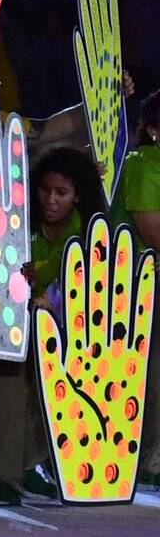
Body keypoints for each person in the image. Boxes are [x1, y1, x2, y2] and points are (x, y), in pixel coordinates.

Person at [0, 146, 105, 506]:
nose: (50, 199)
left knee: (55, 388)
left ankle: (27, 467)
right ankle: (1, 479)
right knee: (8, 387)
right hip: (4, 322)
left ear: (78, 195)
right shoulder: (15, 220)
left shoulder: (90, 233)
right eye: (44, 189)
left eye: (61, 193)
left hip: (67, 333)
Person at [115, 91, 160, 486]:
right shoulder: (143, 165)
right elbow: (152, 232)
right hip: (134, 282)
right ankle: (150, 461)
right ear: (152, 131)